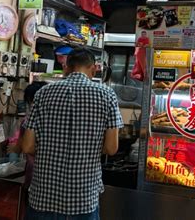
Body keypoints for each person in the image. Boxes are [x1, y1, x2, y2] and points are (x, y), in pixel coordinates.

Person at [22, 48, 123, 220]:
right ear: (93, 69)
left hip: (43, 195)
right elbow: (111, 148)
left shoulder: (43, 94)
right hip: (83, 198)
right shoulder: (107, 95)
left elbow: (27, 146)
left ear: (66, 68)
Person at [7, 82, 47, 189]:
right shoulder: (56, 121)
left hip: (34, 174)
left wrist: (13, 149)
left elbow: (22, 147)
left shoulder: (28, 122)